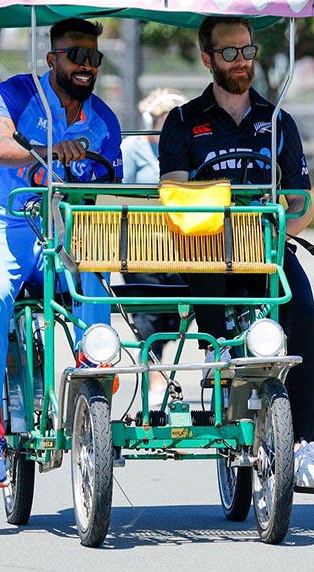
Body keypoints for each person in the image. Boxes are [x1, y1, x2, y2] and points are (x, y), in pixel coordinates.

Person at [158, 16, 314, 492]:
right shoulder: (184, 121)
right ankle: (219, 374)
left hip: (266, 249)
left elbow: (301, 203)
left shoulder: (277, 122)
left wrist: (277, 234)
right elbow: (175, 196)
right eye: (228, 53)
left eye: (247, 52)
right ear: (207, 57)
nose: (240, 63)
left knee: (307, 323)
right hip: (207, 250)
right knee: (217, 327)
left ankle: (303, 444)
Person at [0, 17, 123, 487]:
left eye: (93, 57)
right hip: (8, 226)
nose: (85, 65)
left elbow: (109, 185)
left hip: (66, 231)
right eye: (75, 55)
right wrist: (55, 150)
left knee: (98, 290)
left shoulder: (104, 120)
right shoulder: (14, 94)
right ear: (52, 58)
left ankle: (92, 399)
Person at [121, 88, 188, 400]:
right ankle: (155, 376)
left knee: (176, 312)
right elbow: (123, 195)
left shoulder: (187, 149)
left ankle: (159, 365)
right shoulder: (132, 148)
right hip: (142, 242)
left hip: (181, 245)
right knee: (147, 311)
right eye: (164, 120)